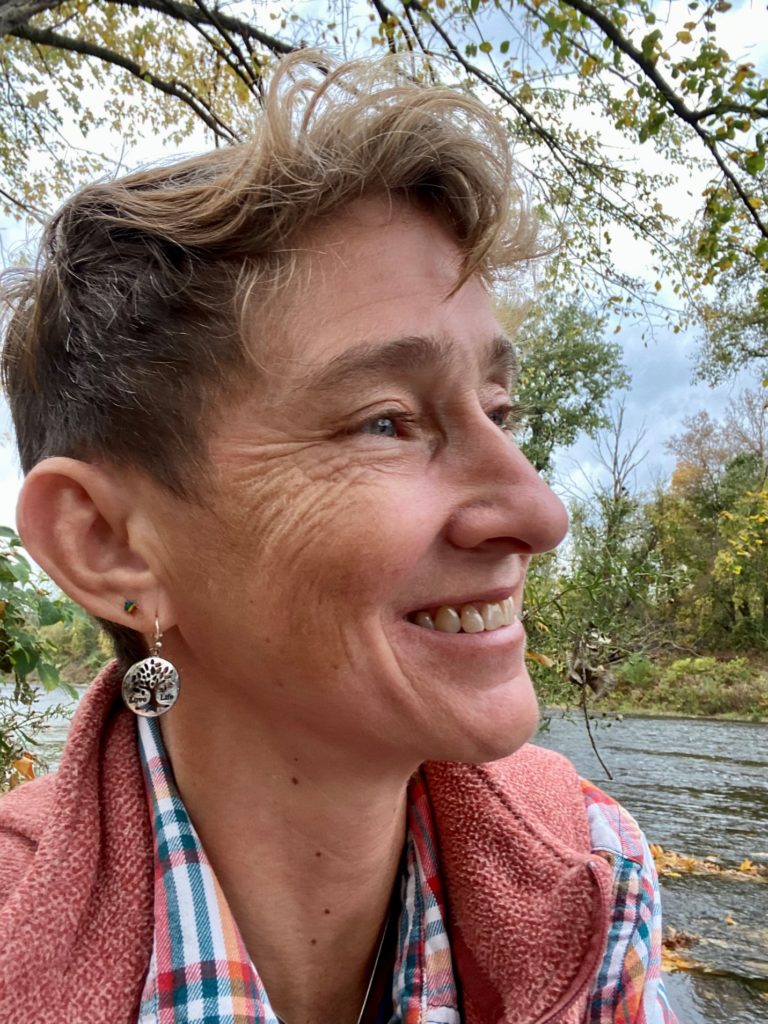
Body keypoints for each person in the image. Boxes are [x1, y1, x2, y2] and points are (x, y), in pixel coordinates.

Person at [0, 53, 677, 1024]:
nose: (539, 514)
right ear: (109, 543)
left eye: (501, 407)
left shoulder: (595, 866)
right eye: (387, 420)